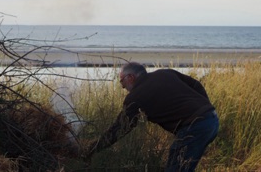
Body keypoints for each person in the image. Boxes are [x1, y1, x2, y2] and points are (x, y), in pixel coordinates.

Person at [82, 62, 219, 171]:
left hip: (194, 127)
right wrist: (205, 108)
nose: (123, 87)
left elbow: (120, 128)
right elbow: (196, 84)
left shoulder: (135, 97)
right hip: (212, 119)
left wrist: (93, 148)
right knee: (184, 166)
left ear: (131, 77)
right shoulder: (165, 73)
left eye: (122, 81)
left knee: (175, 168)